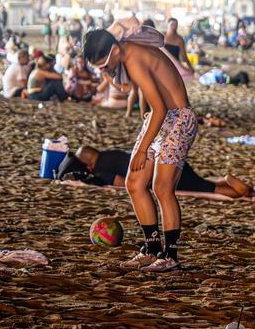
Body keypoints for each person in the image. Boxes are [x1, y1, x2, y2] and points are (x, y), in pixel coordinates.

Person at [84, 19, 195, 273]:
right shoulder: (127, 54)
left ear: (114, 50)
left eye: (105, 64)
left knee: (162, 188)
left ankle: (171, 256)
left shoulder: (134, 57)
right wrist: (108, 76)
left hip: (178, 118)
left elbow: (160, 108)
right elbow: (135, 88)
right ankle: (152, 249)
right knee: (134, 183)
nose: (107, 69)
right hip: (162, 119)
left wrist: (144, 148)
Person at [67, 146, 255, 201]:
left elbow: (122, 182)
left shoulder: (101, 170)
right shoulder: (111, 154)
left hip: (162, 172)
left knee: (209, 188)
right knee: (201, 182)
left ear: (89, 165)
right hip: (167, 160)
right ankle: (237, 184)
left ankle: (241, 189)